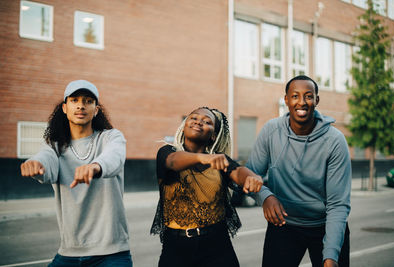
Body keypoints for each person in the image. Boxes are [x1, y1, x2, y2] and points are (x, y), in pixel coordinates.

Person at [20, 80, 133, 267]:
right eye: (74, 100)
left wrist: (96, 166)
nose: (81, 105)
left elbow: (115, 157)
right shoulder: (55, 146)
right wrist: (36, 164)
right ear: (65, 108)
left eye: (88, 101)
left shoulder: (110, 137)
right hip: (68, 253)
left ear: (96, 110)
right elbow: (46, 161)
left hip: (112, 253)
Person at [246, 75, 351, 267]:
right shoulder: (271, 130)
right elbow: (250, 175)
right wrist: (265, 197)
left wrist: (330, 255)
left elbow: (338, 204)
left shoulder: (335, 141)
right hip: (283, 225)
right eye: (295, 96)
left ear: (316, 100)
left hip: (324, 225)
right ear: (286, 100)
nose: (301, 102)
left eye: (308, 96)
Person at [151, 107, 263, 267]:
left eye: (207, 121)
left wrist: (252, 177)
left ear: (213, 135)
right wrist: (202, 158)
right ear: (184, 125)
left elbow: (238, 172)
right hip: (176, 248)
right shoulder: (167, 152)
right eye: (194, 117)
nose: (198, 121)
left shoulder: (219, 159)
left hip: (217, 246)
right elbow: (173, 162)